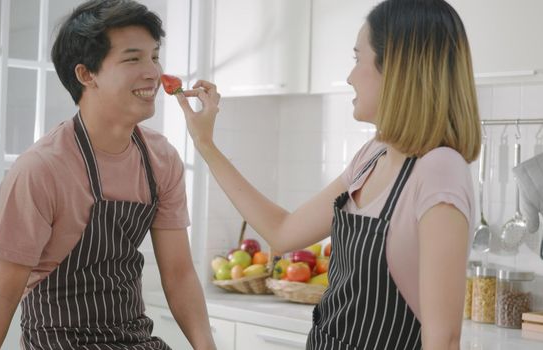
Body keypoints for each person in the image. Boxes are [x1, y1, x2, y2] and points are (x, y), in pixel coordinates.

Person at [176, 0, 480, 349]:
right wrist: (206, 145)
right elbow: (283, 232)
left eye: (357, 59)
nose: (350, 76)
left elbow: (443, 340)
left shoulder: (440, 170)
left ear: (395, 67)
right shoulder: (371, 157)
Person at [0, 1, 215, 349]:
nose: (153, 73)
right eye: (133, 58)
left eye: (154, 56)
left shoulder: (162, 159)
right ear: (86, 74)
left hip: (135, 339)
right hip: (58, 342)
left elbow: (179, 274)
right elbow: (3, 293)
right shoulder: (42, 168)